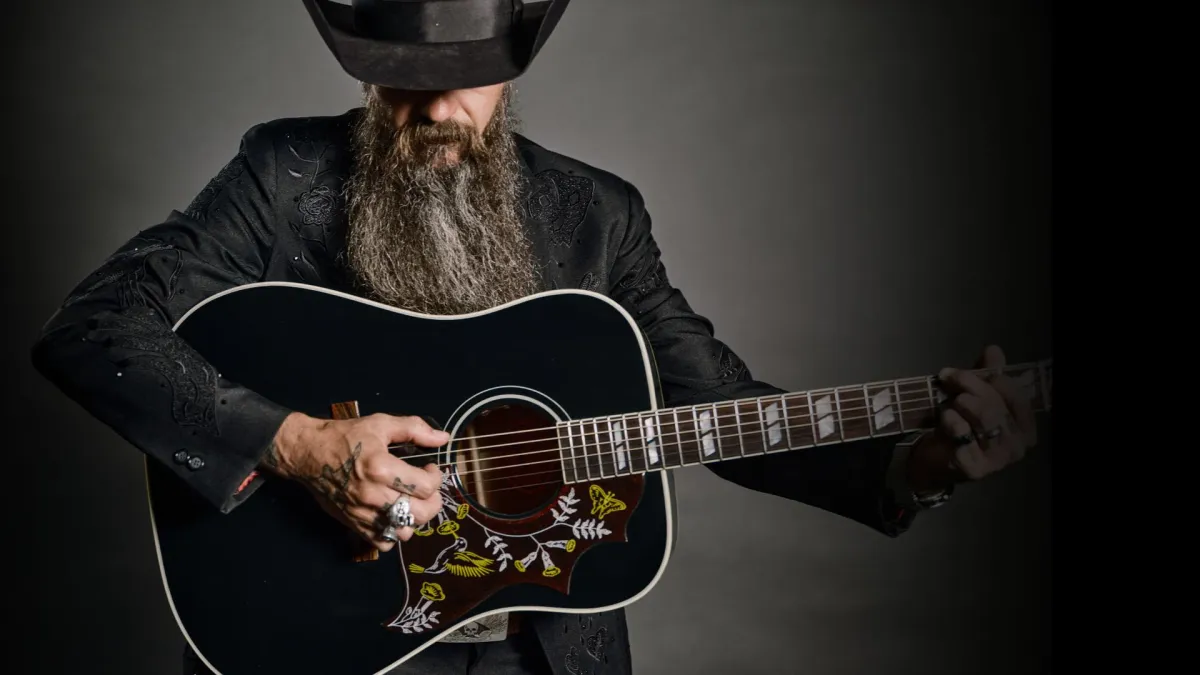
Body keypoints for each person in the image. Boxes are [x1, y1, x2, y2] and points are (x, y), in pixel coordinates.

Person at [29, 1, 1038, 674]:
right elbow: (96, 326)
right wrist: (298, 443)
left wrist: (919, 467)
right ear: (368, 70)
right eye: (405, 79)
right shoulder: (282, 178)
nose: (437, 108)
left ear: (511, 70)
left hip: (551, 654)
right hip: (334, 638)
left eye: (468, 77)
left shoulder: (597, 216)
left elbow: (719, 407)